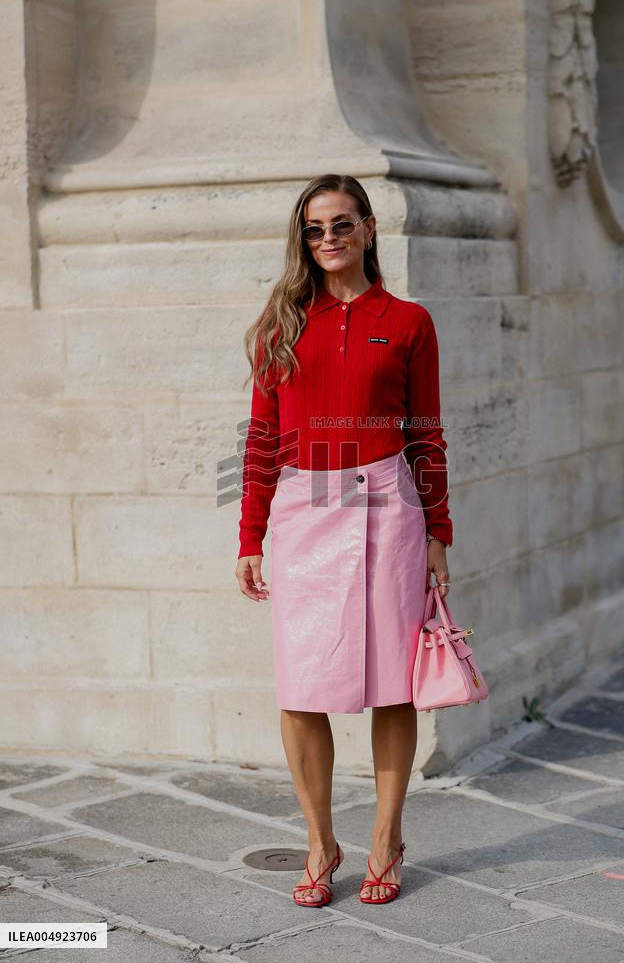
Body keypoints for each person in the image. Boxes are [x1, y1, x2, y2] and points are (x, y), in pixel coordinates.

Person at [235, 174, 453, 907]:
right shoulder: (282, 323)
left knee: (393, 685)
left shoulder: (411, 320)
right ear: (303, 239)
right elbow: (263, 437)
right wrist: (251, 534)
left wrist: (438, 535)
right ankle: (319, 841)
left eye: (340, 224)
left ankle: (386, 838)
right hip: (304, 507)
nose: (327, 238)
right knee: (302, 688)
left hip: (390, 508)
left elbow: (427, 434)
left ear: (367, 228)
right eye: (314, 228)